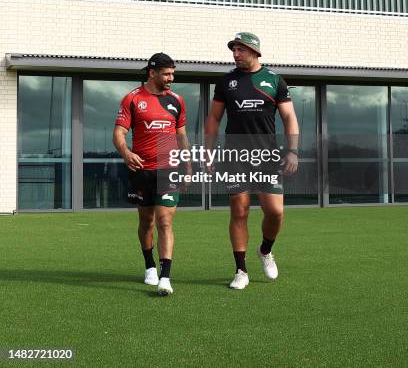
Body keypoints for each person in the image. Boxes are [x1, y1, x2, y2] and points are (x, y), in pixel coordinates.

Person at [205, 32, 299, 290]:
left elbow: (289, 117)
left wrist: (293, 151)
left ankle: (265, 250)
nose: (235, 54)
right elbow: (213, 119)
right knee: (240, 210)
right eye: (233, 50)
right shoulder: (226, 82)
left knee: (275, 212)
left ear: (255, 51)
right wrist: (209, 151)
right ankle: (240, 270)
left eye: (240, 49)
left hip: (267, 156)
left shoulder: (274, 80)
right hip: (235, 156)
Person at [113, 53, 189, 296]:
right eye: (167, 74)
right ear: (152, 72)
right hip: (141, 171)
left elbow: (182, 136)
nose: (171, 78)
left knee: (164, 220)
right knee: (146, 221)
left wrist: (186, 165)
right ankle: (149, 265)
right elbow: (119, 134)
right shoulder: (133, 99)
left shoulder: (176, 100)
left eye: (173, 74)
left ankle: (165, 277)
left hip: (169, 168)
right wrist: (126, 153)